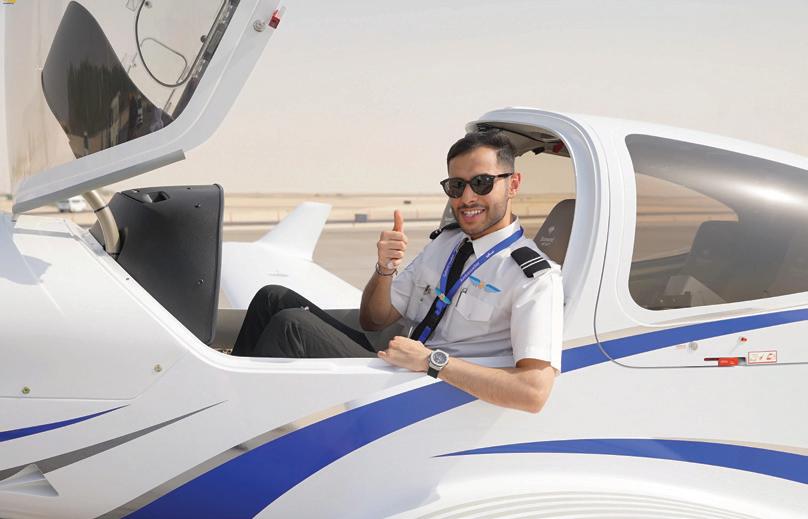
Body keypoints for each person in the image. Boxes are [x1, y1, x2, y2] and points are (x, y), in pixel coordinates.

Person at [232, 130, 562, 413]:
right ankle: (230, 409)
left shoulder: (533, 278)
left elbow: (533, 393)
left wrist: (432, 361)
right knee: (271, 298)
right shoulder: (447, 243)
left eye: (482, 183)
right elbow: (374, 320)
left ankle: (243, 424)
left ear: (513, 184)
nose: (467, 197)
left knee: (292, 326)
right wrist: (385, 269)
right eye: (456, 186)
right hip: (401, 363)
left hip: (428, 387)